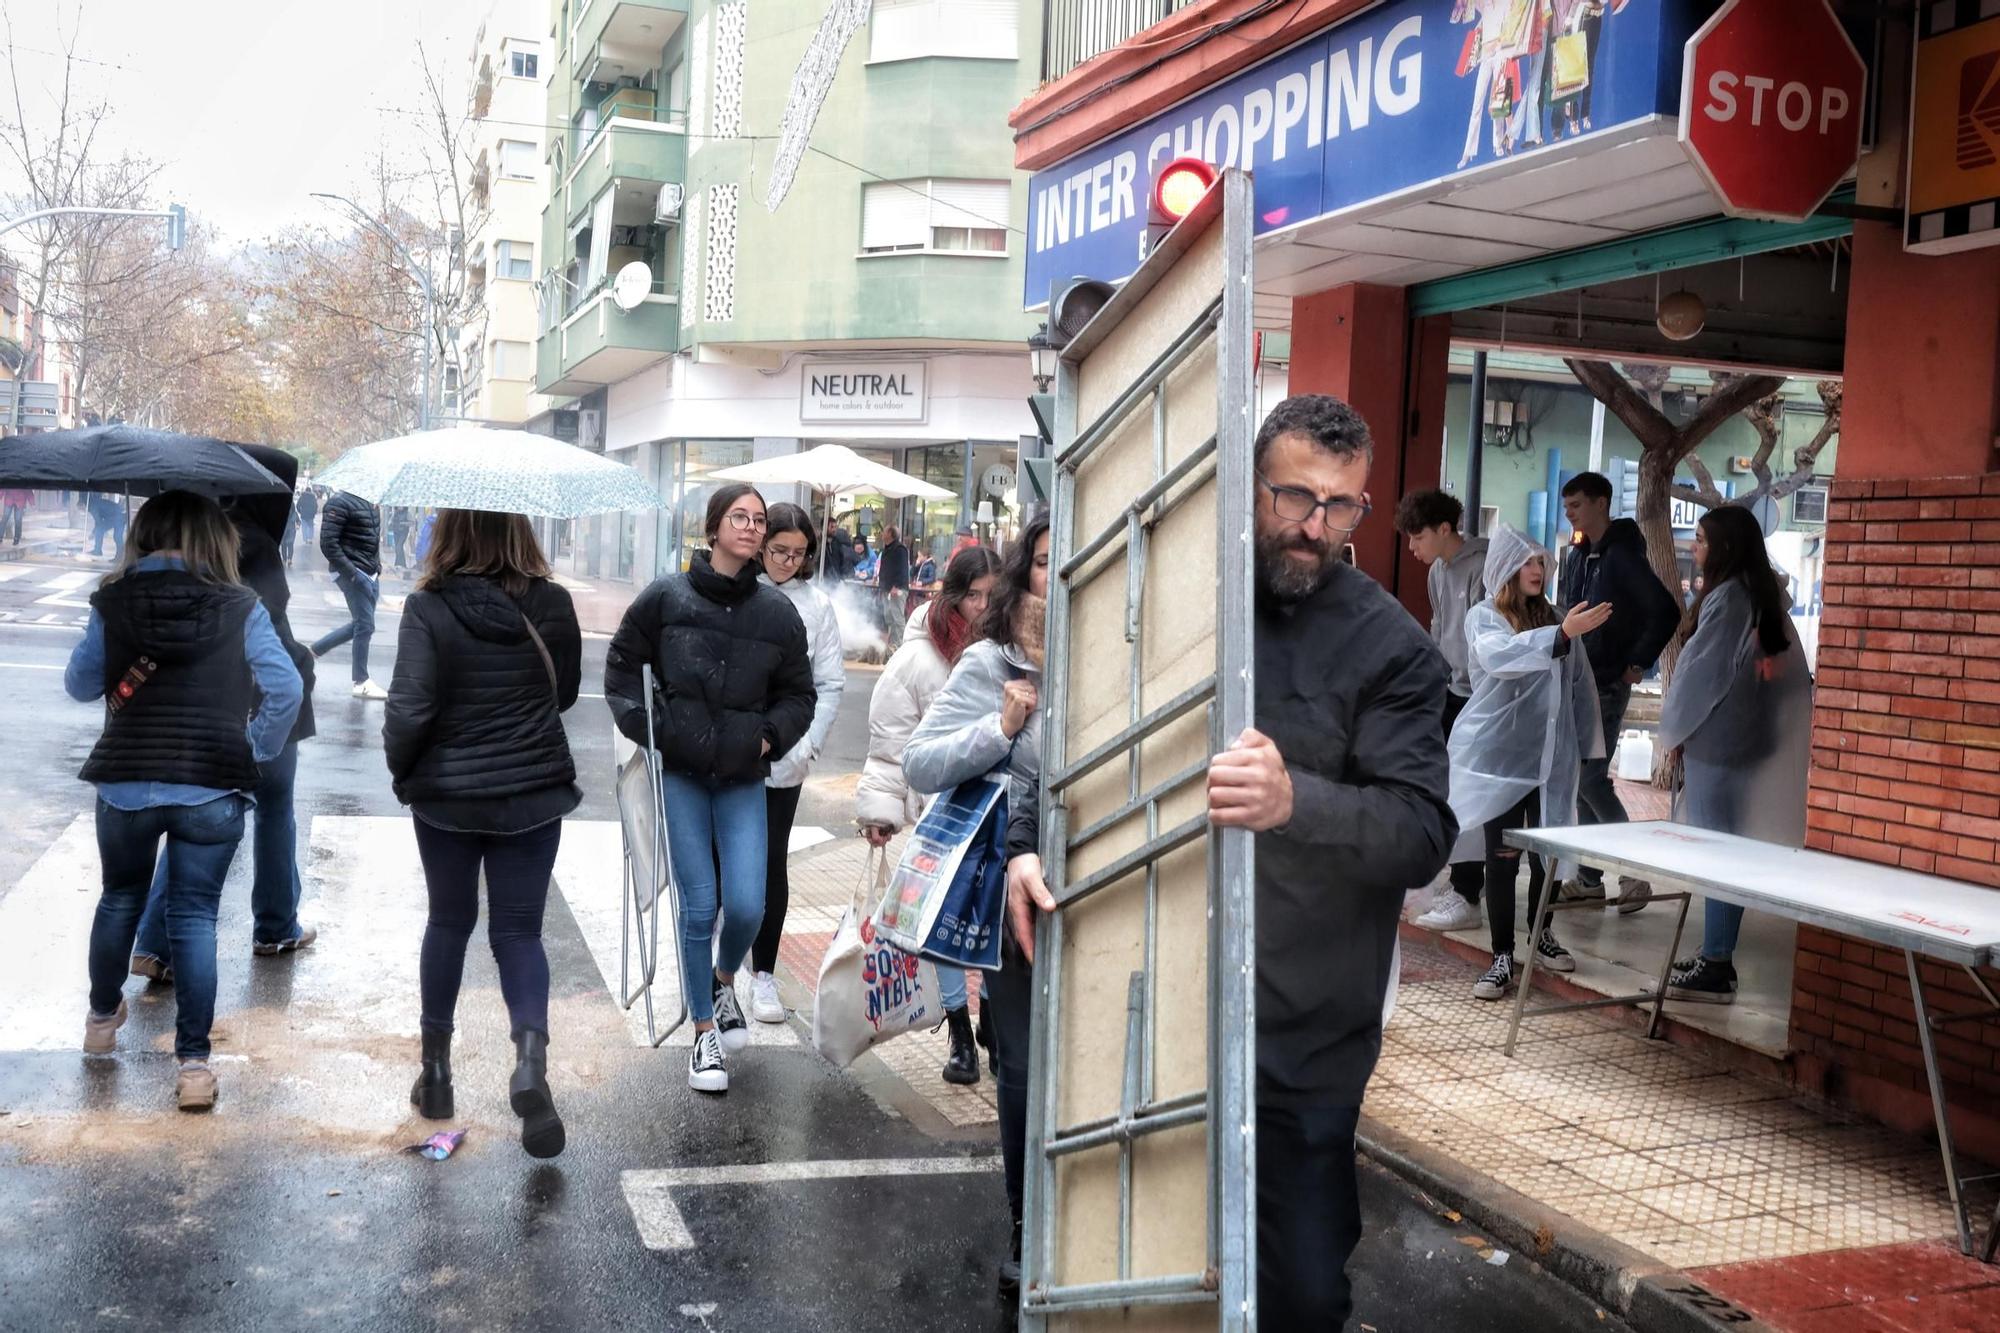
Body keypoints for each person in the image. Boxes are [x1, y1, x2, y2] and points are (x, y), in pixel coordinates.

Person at [1194, 395, 1457, 1328]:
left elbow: (1425, 832)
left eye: (1340, 506)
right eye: (1295, 496)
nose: (1315, 526)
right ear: (1251, 484)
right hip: (1166, 991)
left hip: (1304, 1024)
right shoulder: (1191, 597)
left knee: (1301, 1285)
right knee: (1152, 1260)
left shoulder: (1393, 647)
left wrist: (1296, 800)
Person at [64, 490, 303, 1111]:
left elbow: (80, 685)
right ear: (212, 539)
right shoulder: (238, 604)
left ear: (142, 533)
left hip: (125, 783)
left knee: (119, 899)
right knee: (194, 918)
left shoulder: (111, 600)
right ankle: (194, 1066)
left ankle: (97, 1023)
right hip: (211, 785)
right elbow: (285, 687)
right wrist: (255, 748)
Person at [604, 484, 817, 1094]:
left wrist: (768, 738)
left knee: (747, 904)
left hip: (744, 774)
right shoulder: (666, 597)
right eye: (740, 518)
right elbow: (621, 669)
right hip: (683, 774)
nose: (752, 528)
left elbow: (800, 693)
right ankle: (703, 1034)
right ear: (715, 527)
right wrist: (656, 730)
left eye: (758, 519)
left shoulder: (777, 613)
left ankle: (725, 982)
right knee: (700, 906)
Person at [383, 509, 582, 1158]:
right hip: (532, 789)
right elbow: (567, 692)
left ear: (451, 532)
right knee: (519, 930)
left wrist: (404, 770)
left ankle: (436, 1073)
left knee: (448, 921)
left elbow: (410, 707)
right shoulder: (552, 604)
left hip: (447, 793)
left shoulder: (429, 607)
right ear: (519, 531)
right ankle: (529, 1062)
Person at [904, 512, 1050, 1302]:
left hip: (1121, 886)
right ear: (1023, 572)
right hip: (1018, 891)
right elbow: (923, 761)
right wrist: (1000, 726)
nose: (1057, 581)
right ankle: (1030, 1227)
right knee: (1023, 1062)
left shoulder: (1133, 658)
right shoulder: (994, 660)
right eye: (1043, 564)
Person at [130, 472, 320, 982]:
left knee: (196, 817)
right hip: (260, 704)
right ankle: (276, 925)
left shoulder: (180, 544)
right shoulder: (249, 543)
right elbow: (268, 628)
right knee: (274, 810)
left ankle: (154, 943)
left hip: (202, 705)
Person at [856, 542, 1003, 1085]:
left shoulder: (1016, 647)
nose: (984, 607)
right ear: (953, 596)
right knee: (943, 924)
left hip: (997, 812)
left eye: (993, 595)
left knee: (990, 917)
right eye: (974, 596)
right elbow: (891, 743)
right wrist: (880, 810)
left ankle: (991, 1020)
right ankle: (960, 1032)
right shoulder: (920, 658)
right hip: (940, 816)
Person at [1660, 504, 1813, 1003]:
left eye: (1702, 540)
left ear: (1724, 547)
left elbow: (1702, 673)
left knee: (1719, 852)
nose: (1697, 548)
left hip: (1720, 740)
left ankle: (1717, 963)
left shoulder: (1728, 597)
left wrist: (1676, 729)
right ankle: (1716, 950)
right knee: (1733, 850)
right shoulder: (1764, 593)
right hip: (1751, 738)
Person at [1450, 525, 1609, 1003]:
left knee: (1547, 853)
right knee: (1502, 857)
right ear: (1504, 568)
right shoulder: (1484, 618)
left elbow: (1578, 683)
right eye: (1527, 563)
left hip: (1550, 759)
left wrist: (1585, 746)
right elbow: (1500, 659)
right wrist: (1560, 635)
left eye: (1542, 562)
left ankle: (1541, 933)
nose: (1537, 571)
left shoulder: (1561, 618)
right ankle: (1502, 956)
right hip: (1503, 758)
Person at [1557, 470, 1680, 908]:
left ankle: (1634, 874)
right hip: (1576, 678)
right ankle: (1590, 878)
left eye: (1576, 505)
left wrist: (1638, 663)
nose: (1569, 513)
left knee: (1591, 780)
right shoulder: (1578, 557)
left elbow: (1664, 610)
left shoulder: (1623, 555)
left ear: (1602, 503)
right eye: (1566, 505)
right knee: (1579, 783)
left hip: (1607, 681)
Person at [746, 503, 846, 1026]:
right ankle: (719, 955)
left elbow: (829, 683)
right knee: (723, 861)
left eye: (798, 553)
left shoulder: (816, 606)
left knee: (770, 863)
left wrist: (807, 745)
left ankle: (764, 972)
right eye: (779, 550)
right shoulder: (736, 590)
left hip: (784, 755)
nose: (787, 560)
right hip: (725, 753)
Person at [1397, 487, 1491, 933]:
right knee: (1444, 787)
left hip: (1484, 696)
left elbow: (1488, 636)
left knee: (1472, 794)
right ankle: (1455, 881)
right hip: (1451, 691)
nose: (1413, 548)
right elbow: (1439, 631)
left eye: (1418, 538)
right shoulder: (1438, 571)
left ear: (1444, 529)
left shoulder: (1484, 566)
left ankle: (1469, 893)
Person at [310, 489, 389, 699]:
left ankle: (311, 653)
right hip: (352, 572)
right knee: (365, 625)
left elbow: (371, 541)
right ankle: (361, 681)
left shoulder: (371, 502)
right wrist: (353, 574)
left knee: (361, 624)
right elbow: (328, 544)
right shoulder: (340, 502)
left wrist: (377, 567)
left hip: (370, 572)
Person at [87, 494, 128, 558]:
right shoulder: (95, 503)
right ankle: (120, 556)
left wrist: (93, 533)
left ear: (83, 505)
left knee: (100, 531)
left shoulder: (92, 507)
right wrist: (94, 532)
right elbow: (98, 521)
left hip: (117, 516)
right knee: (117, 536)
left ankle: (98, 550)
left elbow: (98, 522)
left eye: (81, 508)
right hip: (121, 514)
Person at [295, 485, 319, 565]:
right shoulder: (313, 497)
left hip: (304, 514)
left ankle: (305, 539)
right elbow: (316, 506)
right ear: (310, 491)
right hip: (311, 515)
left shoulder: (302, 497)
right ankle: (310, 539)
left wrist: (300, 512)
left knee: (304, 527)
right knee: (311, 527)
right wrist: (314, 513)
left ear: (305, 490)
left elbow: (298, 505)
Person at [388, 507, 413, 572]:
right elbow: (391, 521)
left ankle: (400, 564)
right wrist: (391, 523)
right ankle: (400, 564)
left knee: (399, 546)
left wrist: (403, 523)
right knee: (397, 548)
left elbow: (412, 523)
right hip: (396, 532)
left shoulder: (407, 513)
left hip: (403, 532)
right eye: (399, 506)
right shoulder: (395, 512)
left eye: (401, 506)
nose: (400, 507)